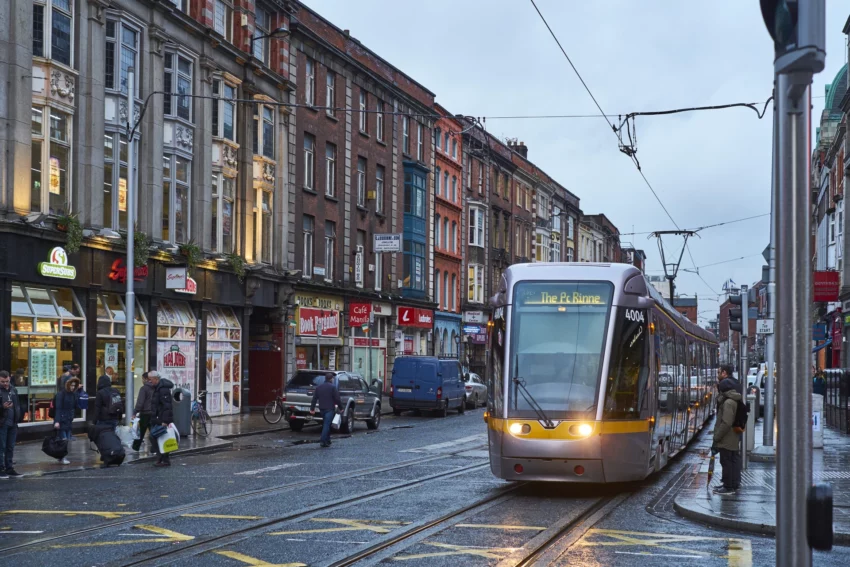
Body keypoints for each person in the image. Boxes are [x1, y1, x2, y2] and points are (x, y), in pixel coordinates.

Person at [712, 364, 743, 495]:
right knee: (732, 459)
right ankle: (730, 483)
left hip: (728, 437)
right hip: (732, 436)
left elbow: (726, 422)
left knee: (727, 461)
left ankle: (729, 486)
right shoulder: (731, 399)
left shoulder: (728, 402)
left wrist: (717, 436)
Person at [148, 372, 174, 467]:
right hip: (158, 418)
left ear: (156, 379)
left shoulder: (163, 389)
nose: (149, 381)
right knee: (160, 437)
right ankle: (163, 459)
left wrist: (165, 421)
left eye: (150, 379)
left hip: (162, 419)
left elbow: (167, 406)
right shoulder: (158, 388)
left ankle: (162, 457)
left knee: (153, 436)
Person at [53, 376, 81, 465]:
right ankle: (63, 457)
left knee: (66, 439)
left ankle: (61, 457)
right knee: (64, 439)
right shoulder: (61, 394)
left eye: (74, 385)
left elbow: (75, 406)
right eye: (71, 385)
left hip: (68, 419)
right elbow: (58, 408)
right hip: (62, 419)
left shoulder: (73, 394)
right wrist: (57, 421)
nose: (72, 387)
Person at [310, 373, 341, 448]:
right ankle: (323, 440)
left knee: (326, 424)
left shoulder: (319, 387)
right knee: (327, 425)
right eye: (333, 379)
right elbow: (337, 399)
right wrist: (341, 408)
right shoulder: (333, 387)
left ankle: (327, 440)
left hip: (322, 409)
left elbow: (314, 399)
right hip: (329, 409)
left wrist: (312, 409)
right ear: (331, 379)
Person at [1, 370, 23, 478]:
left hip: (13, 423)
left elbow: (17, 405)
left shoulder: (13, 389)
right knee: (1, 447)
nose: (5, 383)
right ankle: (1, 469)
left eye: (7, 381)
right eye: (2, 382)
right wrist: (2, 407)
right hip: (2, 423)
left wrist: (18, 417)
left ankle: (9, 468)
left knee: (10, 446)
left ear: (10, 379)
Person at [132, 373, 154, 453]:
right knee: (153, 432)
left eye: (142, 379)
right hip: (153, 413)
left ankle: (135, 448)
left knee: (140, 432)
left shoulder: (144, 388)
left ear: (145, 379)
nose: (142, 380)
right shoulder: (155, 387)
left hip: (145, 413)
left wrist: (135, 412)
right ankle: (155, 448)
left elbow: (140, 402)